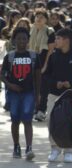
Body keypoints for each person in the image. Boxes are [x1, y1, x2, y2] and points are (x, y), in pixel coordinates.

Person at [0, 27, 41, 160]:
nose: (22, 41)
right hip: (14, 93)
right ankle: (16, 146)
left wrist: (38, 94)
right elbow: (2, 75)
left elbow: (38, 76)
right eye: (19, 38)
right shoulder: (10, 56)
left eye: (24, 38)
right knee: (15, 120)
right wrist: (10, 85)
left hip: (29, 92)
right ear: (14, 40)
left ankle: (29, 147)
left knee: (27, 120)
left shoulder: (34, 56)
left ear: (28, 40)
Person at [45, 28, 72, 163]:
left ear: (66, 40)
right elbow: (47, 75)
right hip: (54, 94)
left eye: (58, 39)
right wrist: (56, 83)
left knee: (71, 121)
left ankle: (69, 150)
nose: (55, 41)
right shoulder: (53, 55)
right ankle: (54, 148)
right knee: (51, 120)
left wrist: (71, 83)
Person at [31, 8, 55, 121]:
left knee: (43, 88)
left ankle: (41, 110)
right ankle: (34, 109)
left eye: (42, 17)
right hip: (32, 61)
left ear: (46, 19)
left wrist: (45, 65)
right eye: (37, 16)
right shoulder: (31, 30)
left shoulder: (49, 31)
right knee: (33, 87)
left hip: (45, 61)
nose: (39, 19)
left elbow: (50, 51)